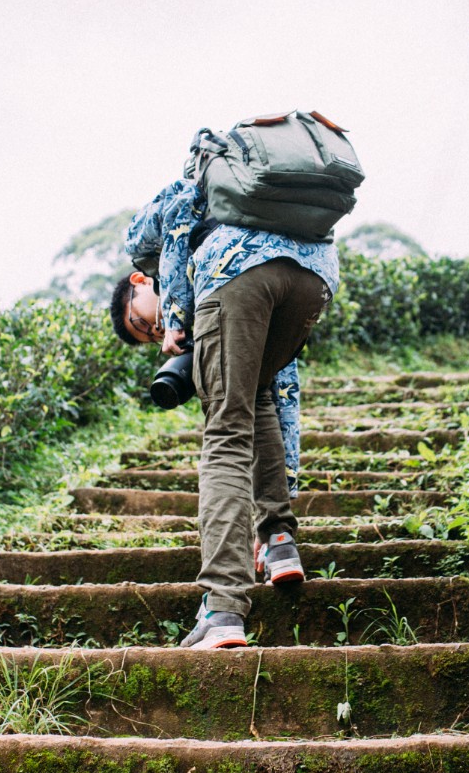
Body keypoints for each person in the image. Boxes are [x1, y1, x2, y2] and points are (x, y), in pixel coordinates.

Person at [111, 173, 337, 650]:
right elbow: (281, 394)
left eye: (141, 323)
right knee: (255, 398)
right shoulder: (235, 191)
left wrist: (173, 314)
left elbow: (174, 227)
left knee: (225, 433)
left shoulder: (141, 239)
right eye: (149, 337)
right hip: (314, 275)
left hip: (238, 270)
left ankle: (223, 607)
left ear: (138, 282)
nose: (154, 333)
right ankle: (279, 543)